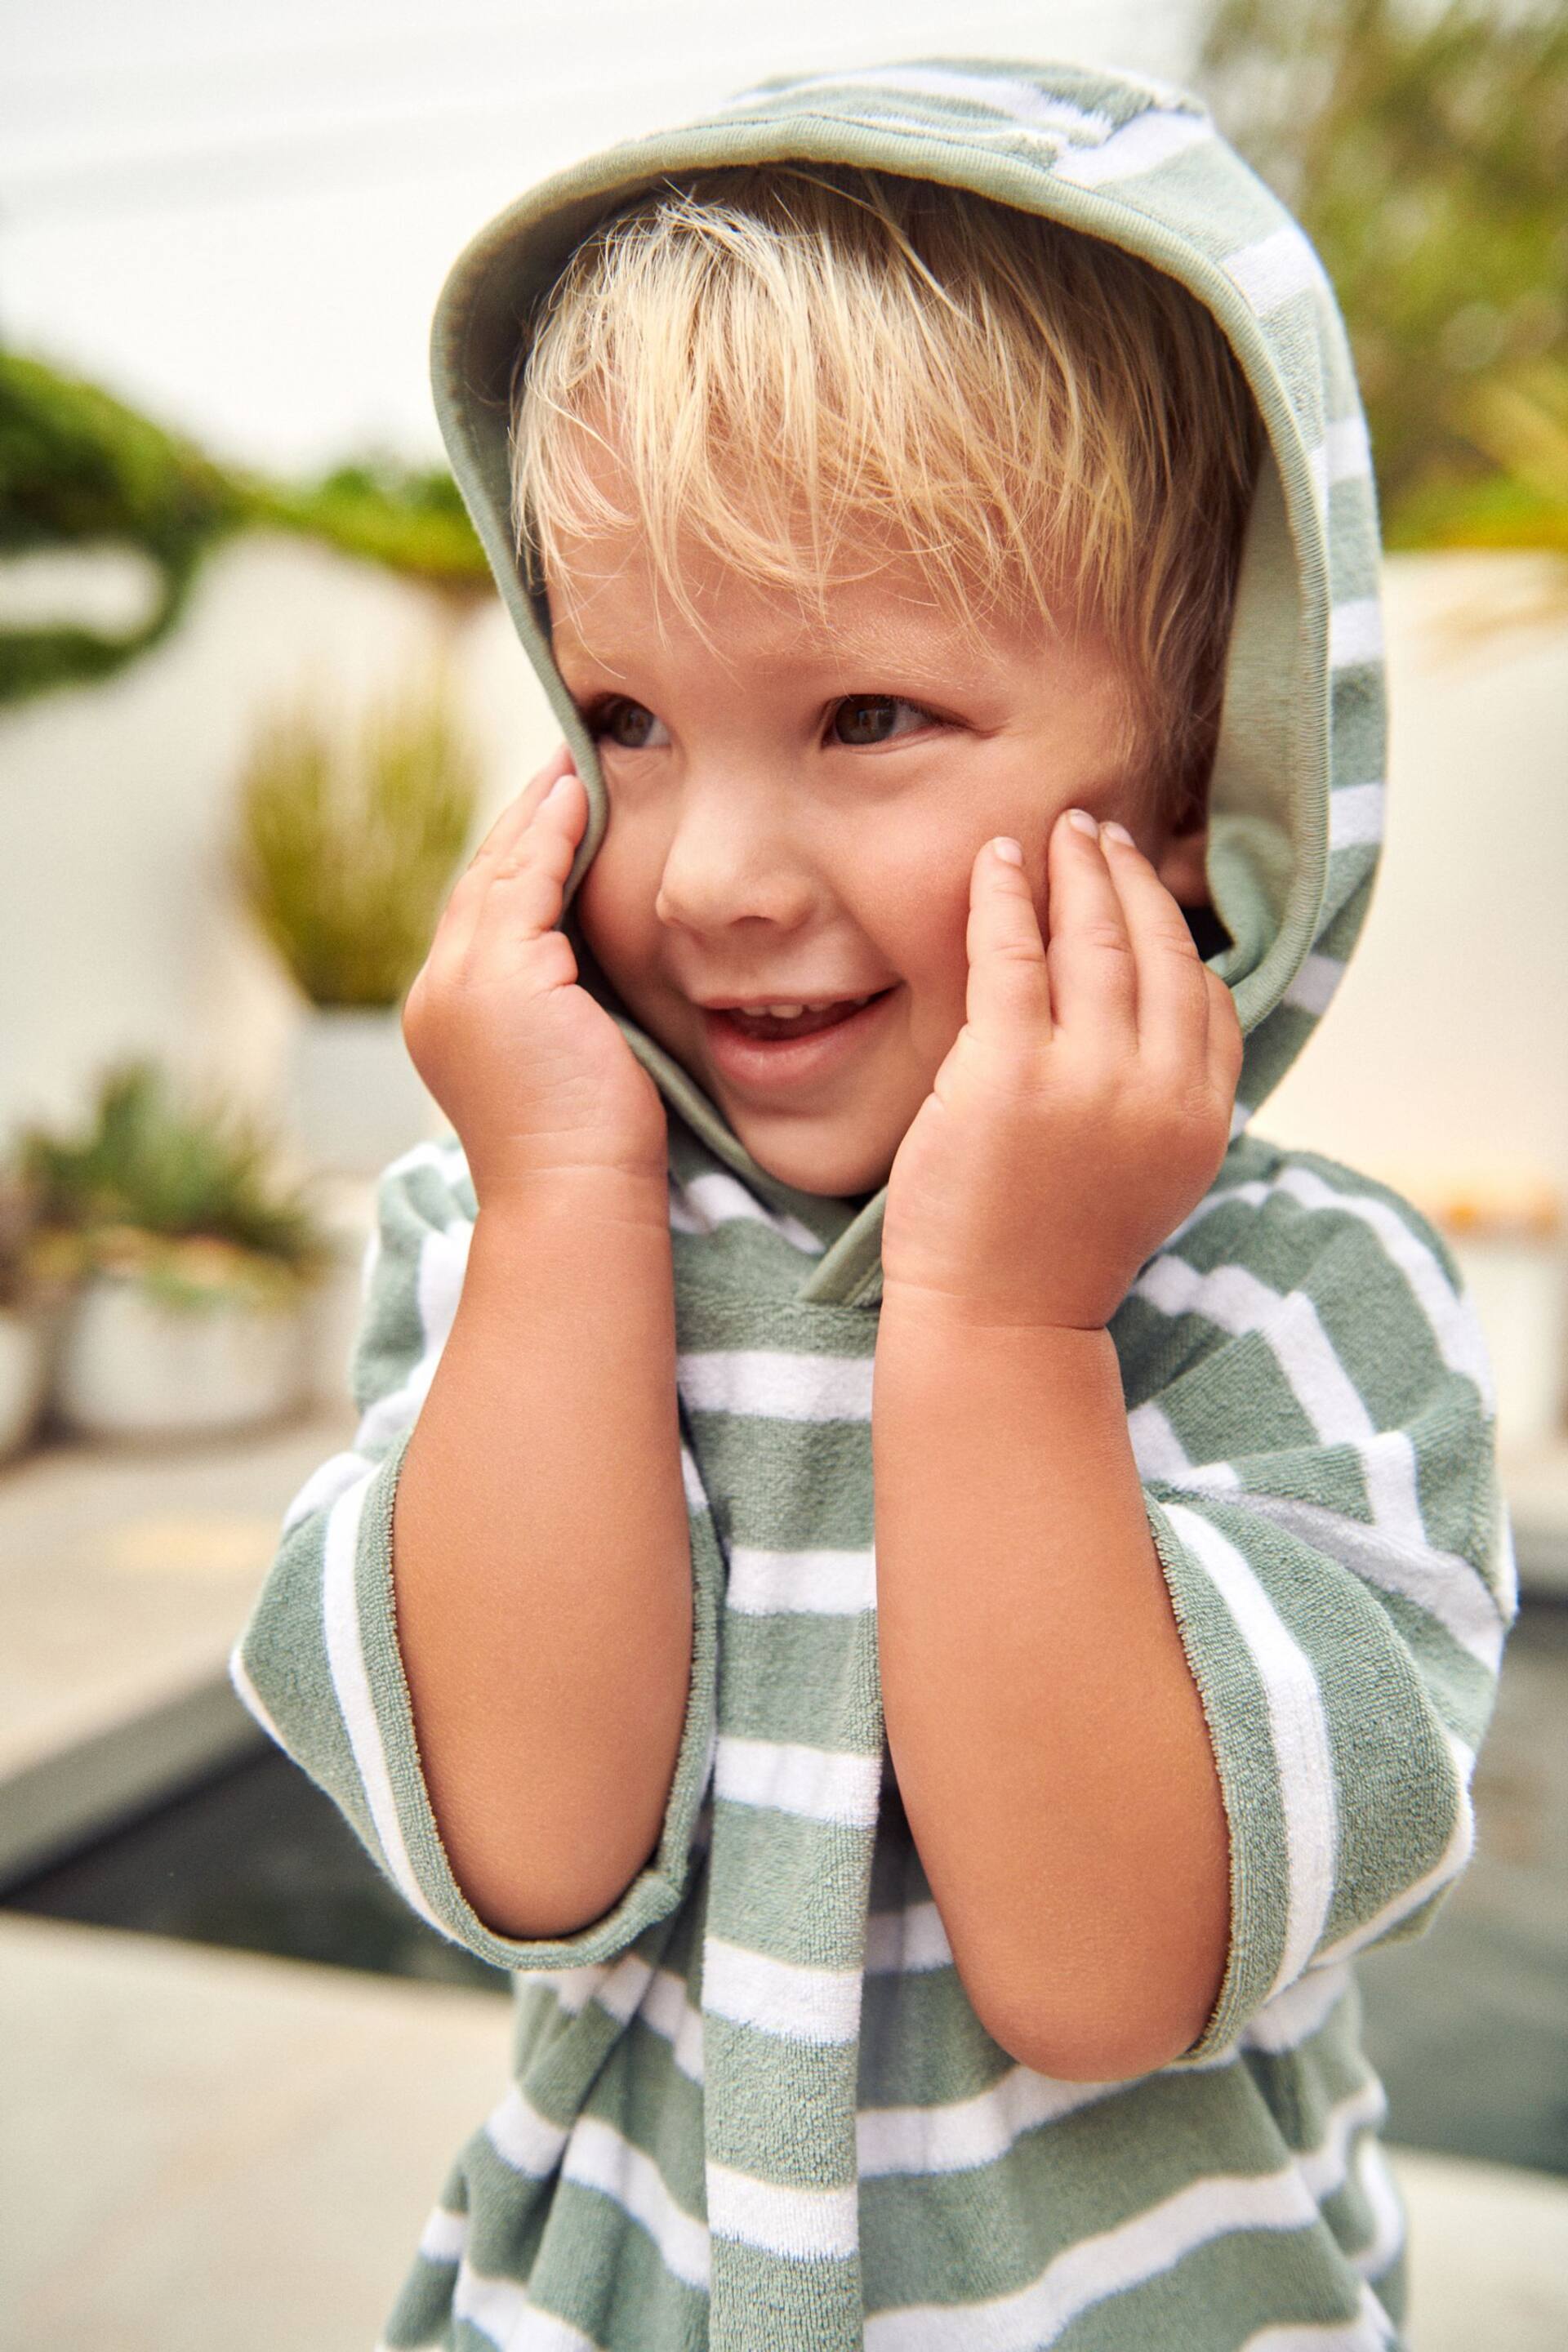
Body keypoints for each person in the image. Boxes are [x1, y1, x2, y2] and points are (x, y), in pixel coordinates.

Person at [232, 58, 1512, 2352]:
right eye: (622, 714)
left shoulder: (1291, 1310)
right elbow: (526, 1849)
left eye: (868, 719)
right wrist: (549, 1200)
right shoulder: (527, 1236)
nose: (710, 873)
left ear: (1196, 752)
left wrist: (1008, 1324)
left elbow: (1109, 1972)